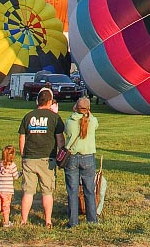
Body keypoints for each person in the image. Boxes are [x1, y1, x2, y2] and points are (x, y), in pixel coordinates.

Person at [18, 88, 65, 227]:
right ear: (50, 102)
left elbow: (22, 137)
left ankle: (24, 220)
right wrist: (61, 153)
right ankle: (48, 221)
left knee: (28, 191)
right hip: (47, 158)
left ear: (37, 100)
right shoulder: (54, 118)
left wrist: (22, 154)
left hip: (29, 158)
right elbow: (60, 139)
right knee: (47, 192)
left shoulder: (28, 116)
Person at [63, 97, 99, 227]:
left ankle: (73, 222)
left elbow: (67, 133)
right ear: (88, 109)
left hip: (72, 157)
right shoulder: (93, 120)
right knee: (89, 189)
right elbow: (95, 125)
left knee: (72, 190)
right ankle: (92, 220)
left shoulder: (69, 121)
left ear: (75, 107)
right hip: (88, 156)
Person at [0, 145, 19, 227]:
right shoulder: (12, 165)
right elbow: (16, 177)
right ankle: (6, 222)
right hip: (7, 191)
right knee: (6, 207)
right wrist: (21, 172)